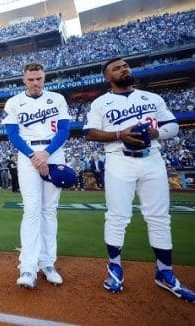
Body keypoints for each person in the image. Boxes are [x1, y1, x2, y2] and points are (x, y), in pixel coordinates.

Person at [84, 58, 194, 302]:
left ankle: (164, 272)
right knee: (117, 216)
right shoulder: (101, 102)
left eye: (125, 66)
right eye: (117, 68)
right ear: (107, 77)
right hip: (118, 160)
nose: (124, 69)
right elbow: (89, 132)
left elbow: (173, 125)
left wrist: (158, 132)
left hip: (152, 158)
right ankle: (114, 267)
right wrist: (119, 134)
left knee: (159, 217)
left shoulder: (151, 98)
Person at [2, 62, 71, 289]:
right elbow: (12, 133)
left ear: (44, 78)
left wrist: (47, 154)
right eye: (31, 79)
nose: (35, 83)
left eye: (39, 78)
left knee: (49, 210)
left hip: (54, 153)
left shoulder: (57, 98)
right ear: (24, 80)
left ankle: (48, 262)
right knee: (31, 209)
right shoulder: (14, 102)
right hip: (28, 155)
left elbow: (63, 130)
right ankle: (28, 266)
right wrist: (34, 155)